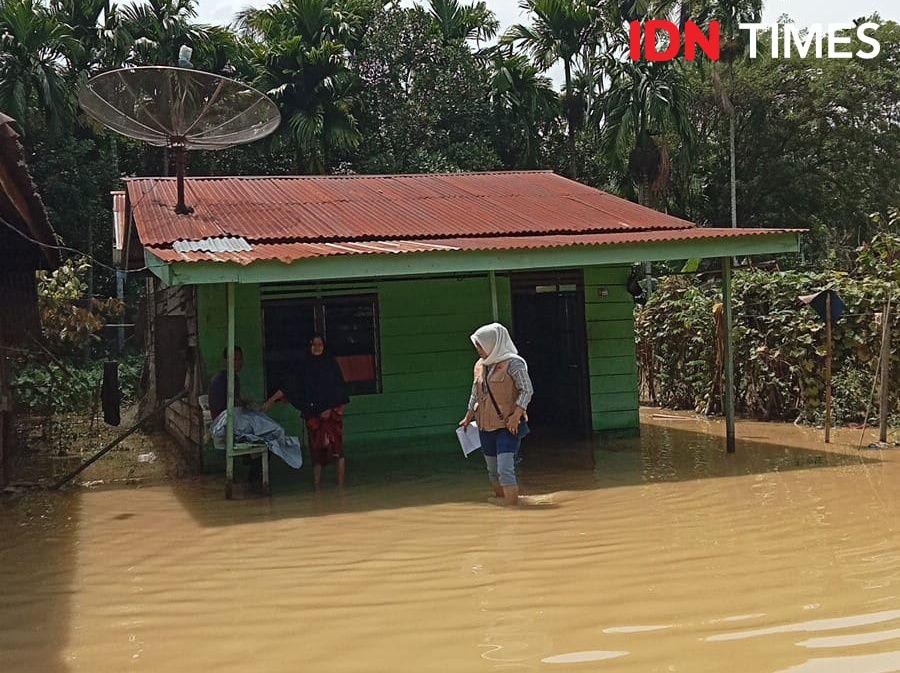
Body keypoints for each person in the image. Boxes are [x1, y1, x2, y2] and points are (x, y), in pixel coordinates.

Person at [459, 323, 533, 506]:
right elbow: (475, 393)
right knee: (492, 471)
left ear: (493, 343)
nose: (478, 350)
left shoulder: (514, 363)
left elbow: (527, 390)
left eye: (480, 345)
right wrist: (469, 416)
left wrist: (516, 416)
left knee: (505, 469)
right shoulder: (481, 365)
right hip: (485, 426)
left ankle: (512, 511)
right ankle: (502, 504)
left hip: (508, 426)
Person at [208, 346, 303, 475]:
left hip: (233, 420)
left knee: (264, 427)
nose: (238, 363)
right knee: (270, 433)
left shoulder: (232, 378)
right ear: (226, 361)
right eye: (234, 359)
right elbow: (227, 407)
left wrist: (247, 404)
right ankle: (256, 470)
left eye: (240, 359)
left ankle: (254, 470)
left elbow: (235, 401)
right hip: (225, 422)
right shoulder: (222, 379)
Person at [294, 335, 350, 490]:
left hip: (332, 414)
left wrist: (330, 408)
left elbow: (339, 389)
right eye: (314, 344)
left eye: (320, 344)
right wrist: (315, 410)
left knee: (337, 449)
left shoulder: (331, 365)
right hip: (314, 416)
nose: (317, 347)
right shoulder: (305, 366)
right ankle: (317, 487)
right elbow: (303, 392)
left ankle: (340, 486)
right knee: (316, 452)